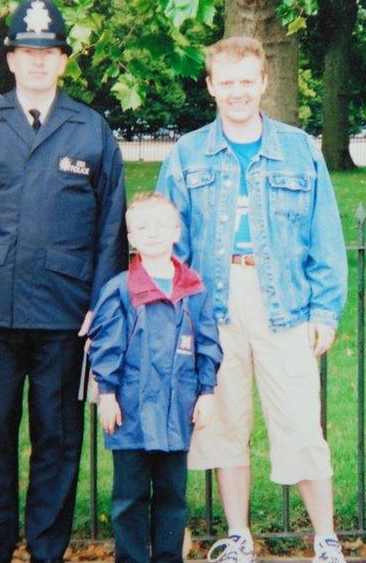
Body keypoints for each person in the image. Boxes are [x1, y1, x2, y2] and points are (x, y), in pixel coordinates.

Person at [0, 0, 127, 563]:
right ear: (10, 58)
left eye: (49, 51)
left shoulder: (90, 130)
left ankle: (46, 550)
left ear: (64, 60)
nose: (38, 61)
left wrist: (102, 306)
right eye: (27, 51)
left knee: (58, 441)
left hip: (67, 316)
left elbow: (112, 224)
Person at [156, 36, 349, 563]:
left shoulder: (299, 150)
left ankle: (325, 538)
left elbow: (325, 235)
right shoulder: (187, 153)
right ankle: (239, 536)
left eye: (248, 81)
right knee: (223, 423)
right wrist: (179, 314)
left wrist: (325, 311)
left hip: (284, 301)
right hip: (213, 306)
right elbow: (170, 242)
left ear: (264, 83)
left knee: (300, 424)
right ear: (211, 85)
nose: (237, 92)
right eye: (227, 82)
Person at [88, 192, 223, 563]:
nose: (152, 233)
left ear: (176, 231)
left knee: (172, 498)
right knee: (129, 498)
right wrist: (108, 394)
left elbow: (207, 343)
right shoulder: (119, 289)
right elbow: (107, 346)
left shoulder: (194, 288)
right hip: (129, 414)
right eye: (142, 227)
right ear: (130, 238)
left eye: (160, 225)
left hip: (176, 412)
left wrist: (206, 392)